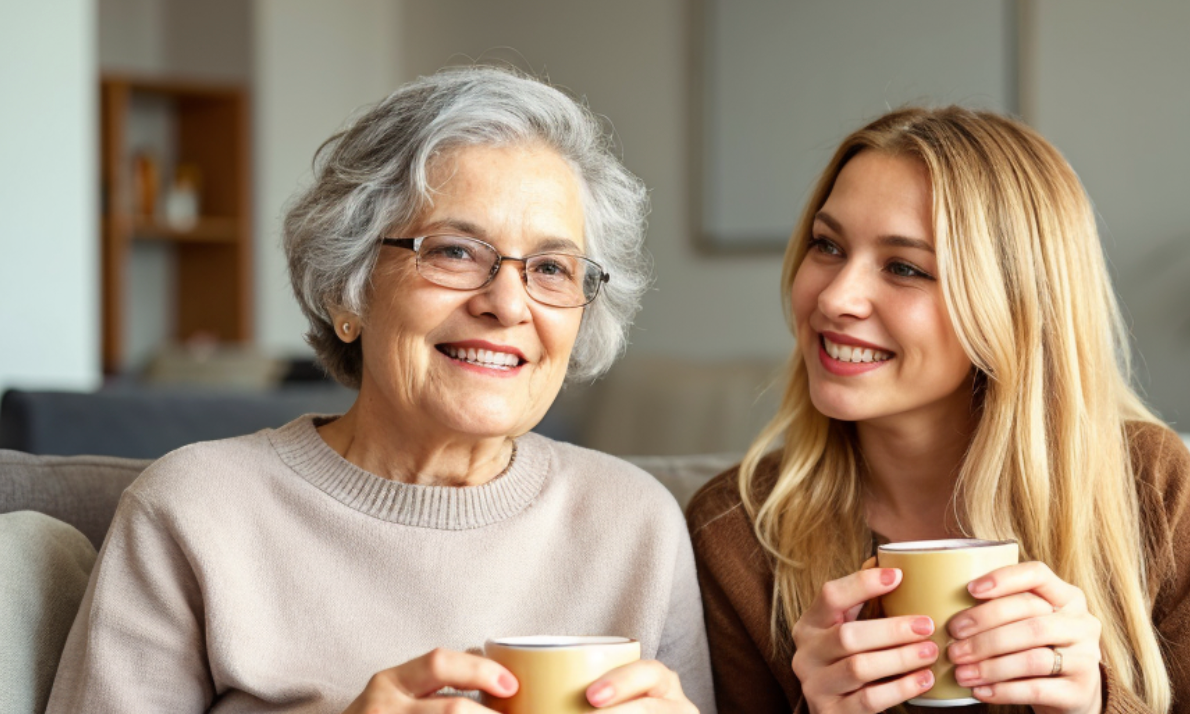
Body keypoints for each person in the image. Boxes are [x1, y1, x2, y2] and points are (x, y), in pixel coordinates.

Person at [47, 67, 712, 714]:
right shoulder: (194, 511)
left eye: (551, 268)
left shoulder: (637, 526)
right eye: (455, 250)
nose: (508, 303)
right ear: (348, 288)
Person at [686, 107, 1190, 713]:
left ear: (1016, 305)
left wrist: (1097, 708)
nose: (836, 297)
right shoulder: (737, 533)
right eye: (827, 245)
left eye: (904, 267)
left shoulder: (1147, 487)